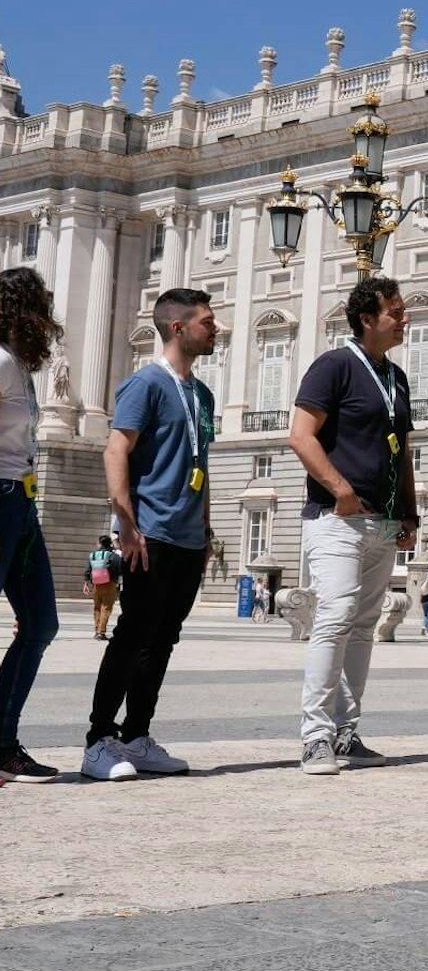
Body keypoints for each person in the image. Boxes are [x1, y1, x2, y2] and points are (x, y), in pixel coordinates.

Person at [82, 287, 217, 781]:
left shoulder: (201, 393)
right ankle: (99, 740)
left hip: (186, 536)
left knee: (163, 639)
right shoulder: (146, 384)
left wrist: (204, 530)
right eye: (206, 320)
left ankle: (137, 736)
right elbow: (116, 451)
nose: (215, 327)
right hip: (150, 531)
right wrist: (128, 524)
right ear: (178, 327)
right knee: (132, 635)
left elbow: (201, 463)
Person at [289, 276, 417, 775]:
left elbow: (402, 450)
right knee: (335, 618)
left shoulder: (396, 377)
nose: (403, 318)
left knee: (364, 626)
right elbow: (301, 435)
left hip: (382, 522)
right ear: (367, 318)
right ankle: (314, 736)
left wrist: (408, 511)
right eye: (396, 311)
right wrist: (339, 488)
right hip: (336, 520)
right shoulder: (334, 366)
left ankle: (346, 731)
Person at [0, 268, 62, 783]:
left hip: (21, 502)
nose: (48, 319)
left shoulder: (20, 367)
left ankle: (2, 741)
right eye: (40, 306)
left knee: (41, 622)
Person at [83, 534, 123, 640]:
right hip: (110, 584)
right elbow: (121, 569)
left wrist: (86, 583)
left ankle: (96, 631)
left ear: (100, 543)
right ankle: (101, 632)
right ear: (109, 543)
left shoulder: (93, 555)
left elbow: (88, 570)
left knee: (97, 607)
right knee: (106, 608)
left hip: (96, 584)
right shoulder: (114, 556)